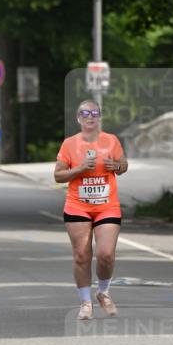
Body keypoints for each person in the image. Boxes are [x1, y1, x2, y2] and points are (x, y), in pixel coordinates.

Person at [54, 98, 128, 320]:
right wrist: (78, 169)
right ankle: (85, 302)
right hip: (78, 206)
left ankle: (103, 292)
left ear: (99, 117)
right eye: (84, 114)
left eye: (94, 113)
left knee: (106, 254)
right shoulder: (69, 144)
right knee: (81, 255)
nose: (89, 117)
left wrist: (115, 166)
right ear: (78, 119)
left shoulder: (111, 141)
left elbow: (123, 166)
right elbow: (58, 175)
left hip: (107, 206)